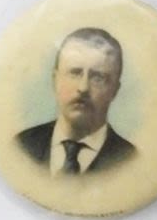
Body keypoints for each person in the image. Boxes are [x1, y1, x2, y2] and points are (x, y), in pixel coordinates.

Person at [15, 28, 136, 174]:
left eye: (98, 78)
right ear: (55, 80)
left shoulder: (131, 161)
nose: (83, 88)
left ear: (114, 90)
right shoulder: (21, 146)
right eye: (75, 73)